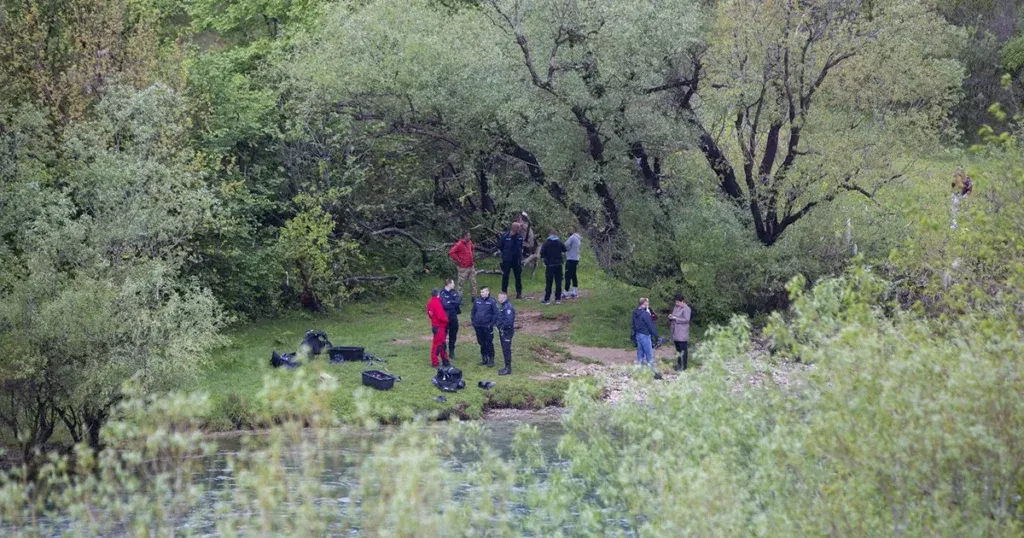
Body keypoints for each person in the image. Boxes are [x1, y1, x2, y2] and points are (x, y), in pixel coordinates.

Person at [632, 297, 661, 379]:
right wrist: (656, 336)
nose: (648, 304)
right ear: (644, 303)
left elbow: (633, 324)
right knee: (649, 354)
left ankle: (638, 372)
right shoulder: (645, 314)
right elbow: (650, 325)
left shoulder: (635, 312)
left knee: (640, 354)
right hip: (645, 335)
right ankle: (654, 373)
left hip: (638, 335)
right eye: (647, 303)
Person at [471, 287, 499, 366]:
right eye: (481, 292)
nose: (482, 293)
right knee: (481, 342)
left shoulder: (492, 301)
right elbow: (473, 311)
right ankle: (484, 358)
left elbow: (496, 314)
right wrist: (474, 322)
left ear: (487, 292)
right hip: (478, 326)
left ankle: (491, 359)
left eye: (483, 292)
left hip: (487, 326)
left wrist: (491, 324)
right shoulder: (477, 300)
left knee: (489, 342)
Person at [498, 222, 525, 298]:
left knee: (518, 277)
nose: (520, 229)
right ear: (514, 228)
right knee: (505, 276)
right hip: (507, 260)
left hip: (516, 260)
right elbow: (500, 246)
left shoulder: (519, 237)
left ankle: (519, 293)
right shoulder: (505, 236)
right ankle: (504, 292)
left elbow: (520, 246)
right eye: (518, 227)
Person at [539, 231, 567, 304]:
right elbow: (564, 249)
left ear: (549, 235)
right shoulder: (559, 242)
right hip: (558, 265)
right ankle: (557, 299)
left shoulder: (546, 243)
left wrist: (546, 257)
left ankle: (547, 299)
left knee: (549, 283)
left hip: (550, 265)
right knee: (558, 282)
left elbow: (541, 253)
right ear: (556, 235)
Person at [448, 231, 478, 296]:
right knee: (460, 283)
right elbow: (451, 252)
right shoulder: (459, 244)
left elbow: (472, 248)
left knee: (473, 282)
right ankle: (459, 298)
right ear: (465, 236)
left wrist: (473, 257)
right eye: (469, 236)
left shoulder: (469, 242)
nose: (470, 237)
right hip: (463, 268)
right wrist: (459, 260)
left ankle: (474, 296)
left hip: (471, 266)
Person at [439, 279, 463, 361]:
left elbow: (458, 301)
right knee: (443, 334)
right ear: (448, 284)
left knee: (453, 334)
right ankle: (443, 352)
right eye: (452, 283)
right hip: (444, 317)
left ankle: (452, 352)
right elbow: (444, 305)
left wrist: (450, 302)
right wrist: (452, 302)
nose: (454, 285)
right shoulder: (442, 293)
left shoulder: (454, 292)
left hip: (453, 316)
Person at [426, 289, 450, 368]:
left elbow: (430, 314)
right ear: (438, 294)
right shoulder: (437, 303)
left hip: (435, 326)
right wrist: (446, 320)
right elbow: (441, 316)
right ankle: (435, 361)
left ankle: (445, 360)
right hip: (440, 327)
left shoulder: (430, 303)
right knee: (438, 345)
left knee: (442, 344)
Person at [668, 293, 691, 371]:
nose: (677, 303)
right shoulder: (676, 307)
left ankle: (684, 367)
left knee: (683, 350)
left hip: (682, 333)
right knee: (678, 350)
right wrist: (671, 316)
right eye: (676, 302)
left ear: (682, 301)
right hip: (675, 332)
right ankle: (679, 365)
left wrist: (676, 318)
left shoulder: (686, 309)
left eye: (678, 302)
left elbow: (687, 319)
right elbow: (675, 316)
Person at [496, 292, 516, 375]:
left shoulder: (508, 308)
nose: (498, 299)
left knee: (506, 349)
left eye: (499, 298)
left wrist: (502, 327)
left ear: (503, 298)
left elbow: (508, 321)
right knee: (504, 349)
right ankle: (506, 366)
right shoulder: (503, 306)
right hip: (503, 331)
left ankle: (508, 368)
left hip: (507, 332)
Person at [564, 228, 581, 298]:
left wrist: (565, 250)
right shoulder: (578, 238)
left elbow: (565, 245)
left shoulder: (572, 238)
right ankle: (574, 290)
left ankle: (565, 292)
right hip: (576, 258)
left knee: (567, 275)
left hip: (570, 259)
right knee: (573, 274)